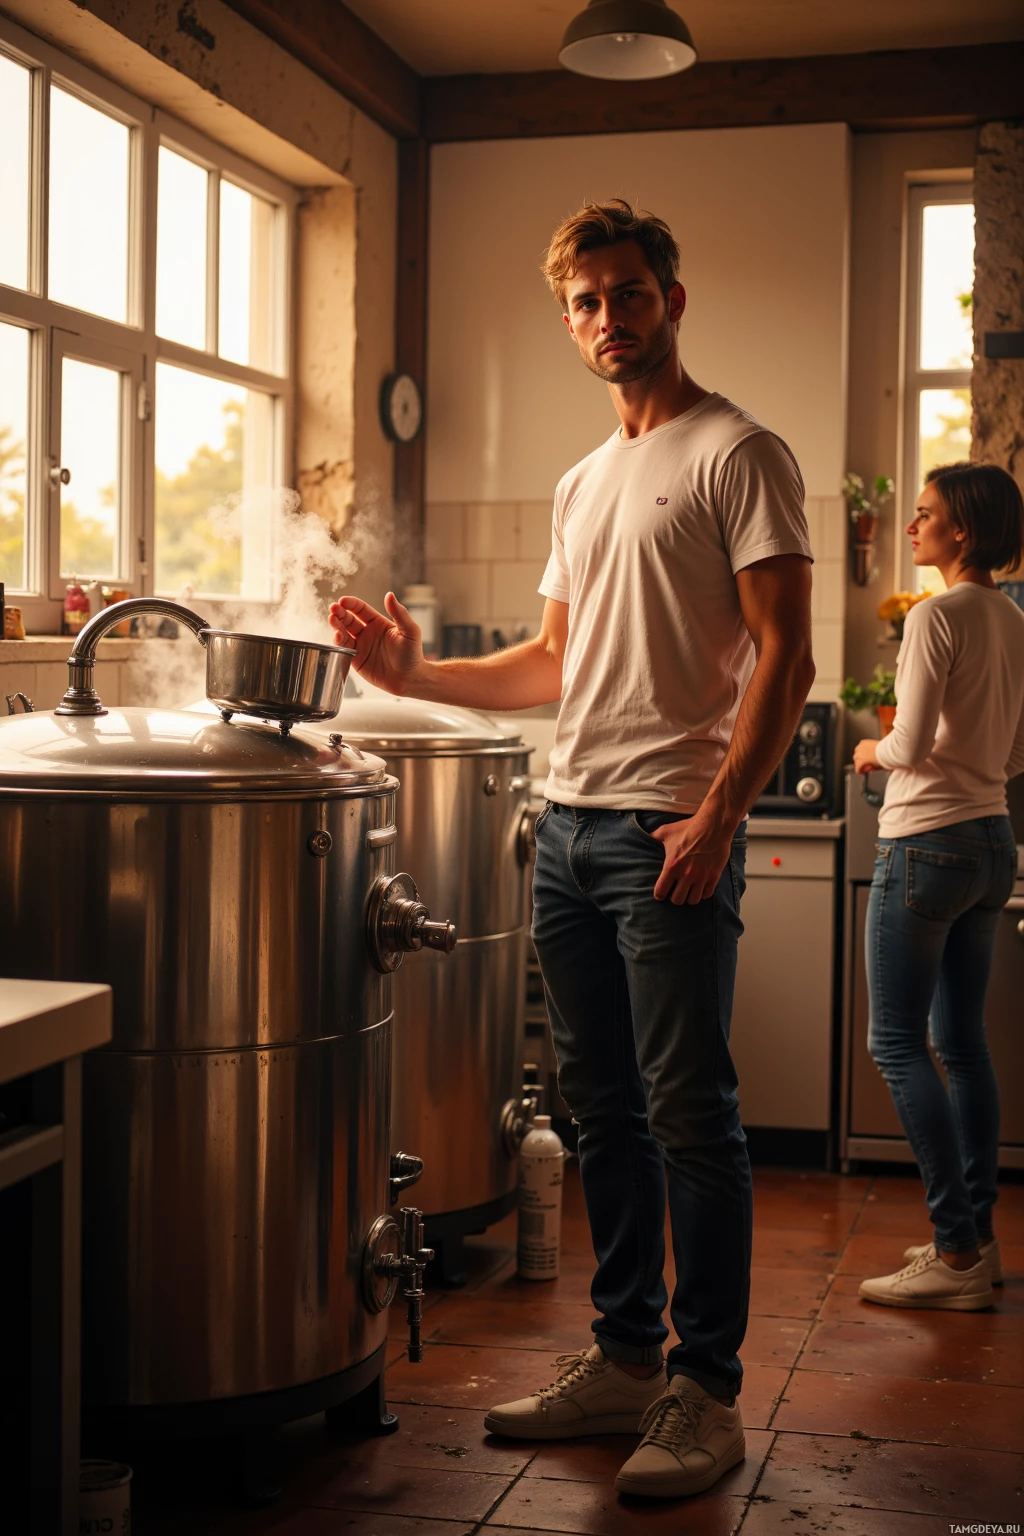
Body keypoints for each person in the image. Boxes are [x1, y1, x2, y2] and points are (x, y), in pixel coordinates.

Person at [330, 200, 814, 1500]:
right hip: (568, 825)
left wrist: (719, 813)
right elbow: (549, 663)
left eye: (631, 291)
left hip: (668, 830)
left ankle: (704, 1394)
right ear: (569, 319)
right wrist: (417, 670)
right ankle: (621, 1356)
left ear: (673, 296)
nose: (611, 316)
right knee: (601, 1111)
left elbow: (789, 654)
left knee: (691, 1116)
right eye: (588, 300)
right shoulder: (581, 481)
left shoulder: (740, 450)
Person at [853, 462, 1024, 1311]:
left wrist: (868, 751)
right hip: (994, 841)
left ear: (963, 530)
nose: (913, 526)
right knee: (961, 1044)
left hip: (925, 844)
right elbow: (1019, 754)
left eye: (925, 516)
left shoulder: (934, 617)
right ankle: (977, 1241)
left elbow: (908, 744)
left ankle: (955, 1252)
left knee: (896, 1042)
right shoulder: (1013, 617)